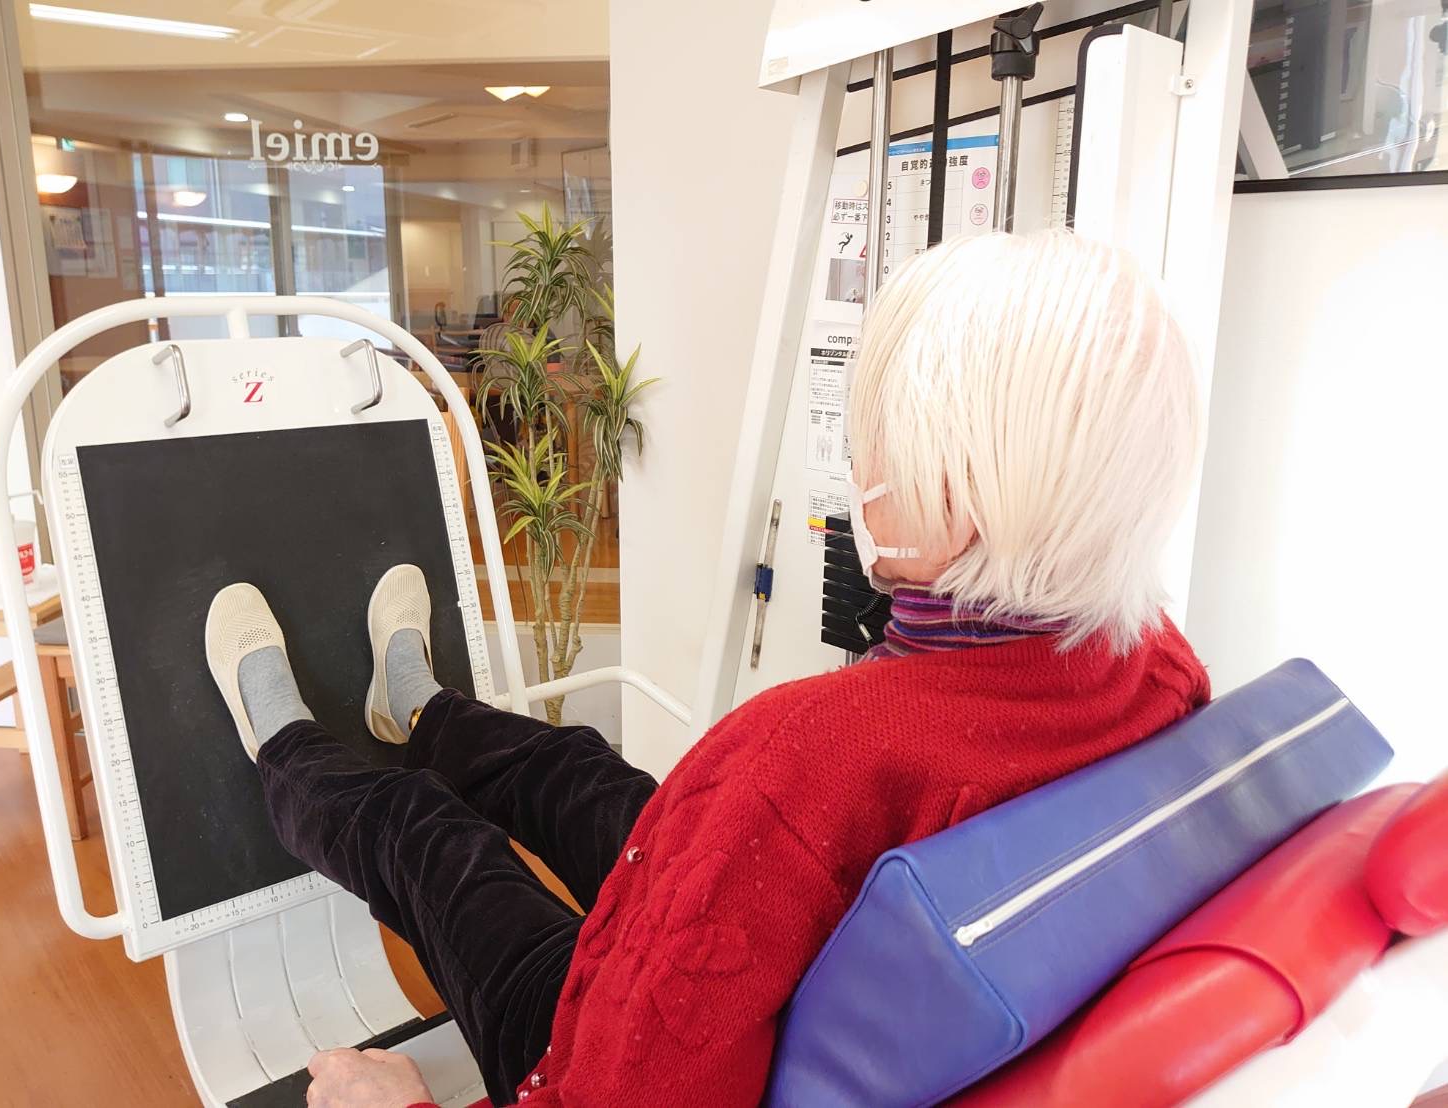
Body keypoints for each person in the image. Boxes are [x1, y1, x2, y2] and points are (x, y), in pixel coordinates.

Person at [204, 231, 1211, 1107]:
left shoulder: (803, 754)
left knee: (423, 831)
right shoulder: (1157, 667)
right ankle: (418, 711)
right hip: (811, 946)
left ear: (952, 498)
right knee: (575, 771)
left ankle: (282, 747)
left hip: (610, 1050)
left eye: (871, 443)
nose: (856, 468)